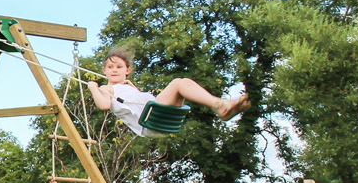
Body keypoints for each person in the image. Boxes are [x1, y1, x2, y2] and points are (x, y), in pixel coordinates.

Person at [87, 47, 250, 137]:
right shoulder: (106, 89)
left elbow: (136, 103)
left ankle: (221, 106)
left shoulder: (127, 88)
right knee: (178, 83)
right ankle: (219, 104)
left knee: (184, 83)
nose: (114, 70)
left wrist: (131, 87)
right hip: (151, 122)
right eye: (110, 67)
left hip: (161, 120)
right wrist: (93, 87)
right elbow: (103, 105)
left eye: (119, 67)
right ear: (104, 70)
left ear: (127, 70)